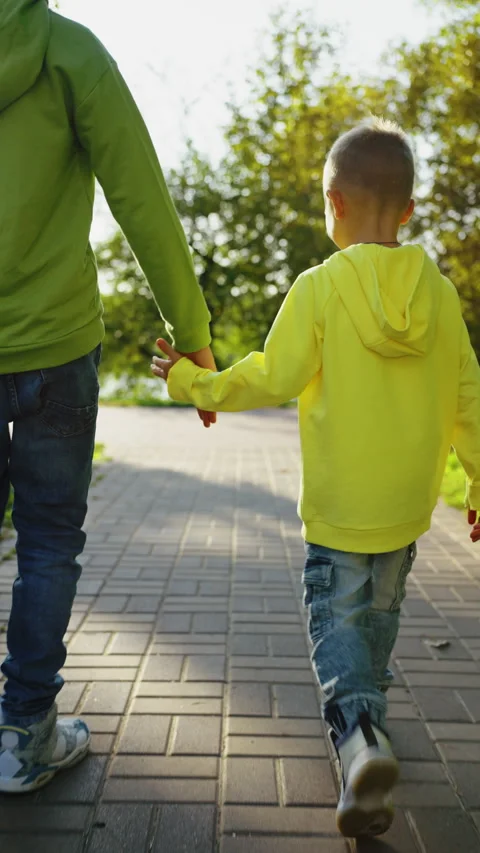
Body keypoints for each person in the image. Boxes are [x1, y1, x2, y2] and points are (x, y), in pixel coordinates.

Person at [152, 116, 480, 839]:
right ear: (410, 209)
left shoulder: (320, 286)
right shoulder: (441, 293)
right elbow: (469, 399)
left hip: (339, 509)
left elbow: (272, 374)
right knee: (378, 620)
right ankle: (372, 746)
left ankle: (360, 737)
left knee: (334, 623)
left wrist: (188, 381)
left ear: (332, 204)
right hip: (405, 509)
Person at [0, 0, 215, 794]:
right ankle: (25, 733)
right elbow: (142, 200)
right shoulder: (70, 52)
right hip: (57, 345)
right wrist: (191, 331)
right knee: (49, 543)